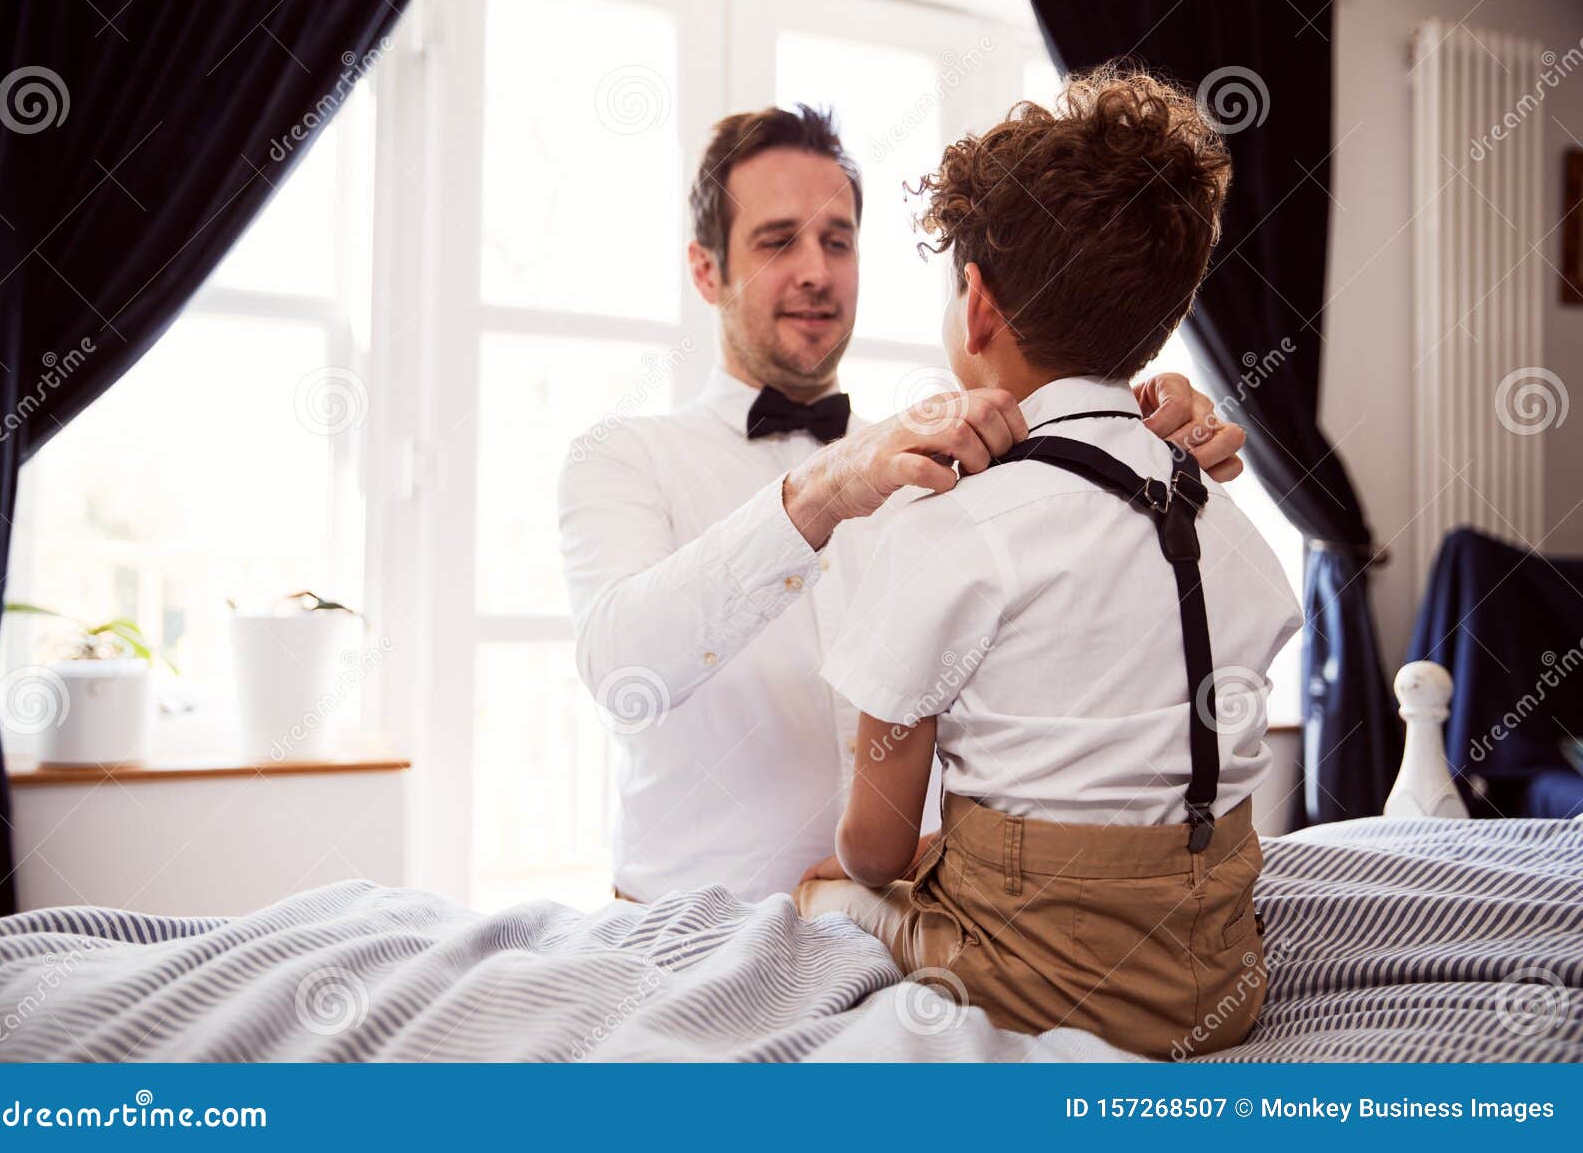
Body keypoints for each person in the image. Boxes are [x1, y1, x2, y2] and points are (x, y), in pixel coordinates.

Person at [558, 102, 1250, 905]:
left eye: (838, 240)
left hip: (919, 938)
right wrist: (822, 492)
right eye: (778, 240)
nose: (816, 270)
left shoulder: (962, 452)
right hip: (685, 935)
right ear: (707, 270)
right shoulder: (620, 457)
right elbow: (620, 670)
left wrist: (1147, 438)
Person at [793, 68, 1302, 1059]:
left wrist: (862, 870)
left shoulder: (948, 528)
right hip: (1222, 976)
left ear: (974, 304)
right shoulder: (1221, 516)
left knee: (827, 882)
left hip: (1043, 979)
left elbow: (877, 843)